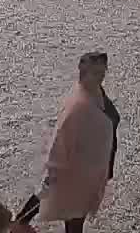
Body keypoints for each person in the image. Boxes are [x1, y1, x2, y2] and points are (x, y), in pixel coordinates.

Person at [36, 51, 121, 232]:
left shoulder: (95, 92)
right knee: (73, 221)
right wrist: (51, 175)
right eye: (96, 73)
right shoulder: (78, 106)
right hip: (76, 173)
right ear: (83, 72)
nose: (100, 77)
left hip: (89, 170)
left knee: (75, 221)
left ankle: (18, 222)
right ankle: (17, 222)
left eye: (102, 73)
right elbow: (61, 139)